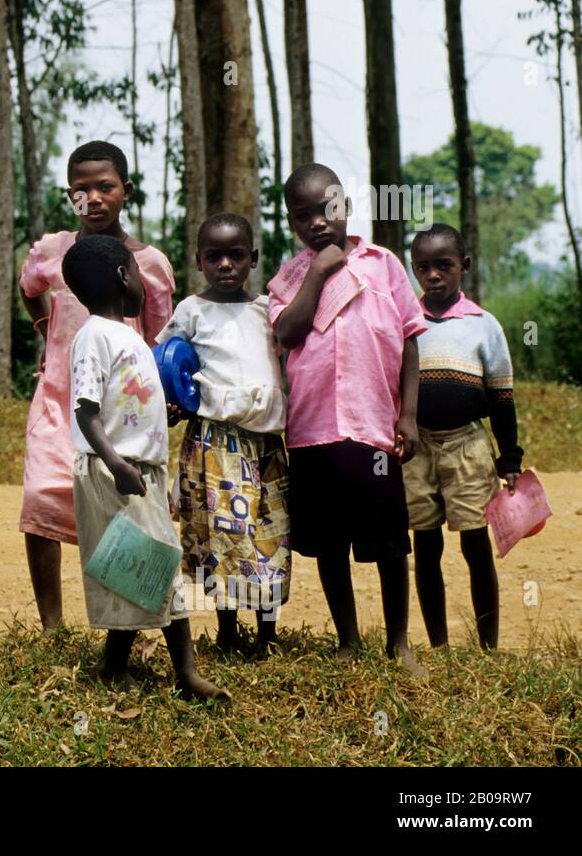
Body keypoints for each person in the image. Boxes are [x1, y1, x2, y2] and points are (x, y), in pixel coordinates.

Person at [270, 162, 426, 676]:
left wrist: (408, 416)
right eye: (303, 216)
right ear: (292, 223)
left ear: (348, 207)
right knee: (329, 543)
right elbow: (287, 333)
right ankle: (348, 639)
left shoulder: (384, 265)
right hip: (313, 432)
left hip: (372, 428)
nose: (317, 222)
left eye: (327, 209)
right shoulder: (290, 277)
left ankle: (399, 642)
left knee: (388, 541)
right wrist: (318, 272)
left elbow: (409, 339)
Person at [19, 140, 175, 630]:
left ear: (126, 190)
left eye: (105, 187)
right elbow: (29, 289)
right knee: (42, 498)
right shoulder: (51, 251)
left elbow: (160, 338)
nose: (93, 199)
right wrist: (47, 332)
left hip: (121, 411)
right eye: (80, 190)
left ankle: (134, 623)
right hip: (57, 400)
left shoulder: (149, 263)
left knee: (127, 509)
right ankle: (52, 625)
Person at [65, 234, 229, 700]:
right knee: (137, 567)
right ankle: (128, 667)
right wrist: (116, 463)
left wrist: (163, 417)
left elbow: (128, 402)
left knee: (157, 564)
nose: (142, 281)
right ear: (124, 276)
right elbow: (85, 409)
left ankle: (178, 673)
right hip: (113, 471)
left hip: (143, 470)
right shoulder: (93, 336)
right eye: (138, 272)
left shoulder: (130, 336)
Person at [159, 213, 291, 656]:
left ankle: (268, 633)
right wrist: (174, 406)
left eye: (236, 255)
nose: (225, 265)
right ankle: (228, 631)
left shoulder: (269, 310)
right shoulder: (190, 311)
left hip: (266, 444)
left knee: (270, 534)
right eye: (213, 256)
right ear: (199, 261)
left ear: (253, 257)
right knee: (223, 538)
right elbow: (169, 364)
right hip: (214, 441)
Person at [405, 223, 522, 650]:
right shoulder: (406, 323)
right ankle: (438, 645)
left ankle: (488, 645)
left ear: (464, 266)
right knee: (426, 545)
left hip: (468, 447)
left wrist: (509, 457)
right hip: (417, 448)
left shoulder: (483, 325)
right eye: (423, 267)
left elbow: (502, 397)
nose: (433, 275)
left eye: (444, 265)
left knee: (476, 544)